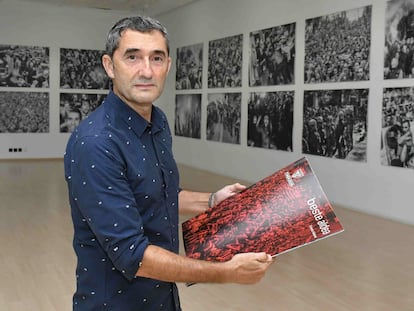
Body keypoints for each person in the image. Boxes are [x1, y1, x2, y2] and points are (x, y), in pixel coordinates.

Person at [64, 15, 273, 311]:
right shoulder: (96, 143)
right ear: (109, 66)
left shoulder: (157, 121)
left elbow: (159, 195)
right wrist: (226, 272)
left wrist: (213, 200)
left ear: (169, 66)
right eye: (132, 57)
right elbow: (132, 254)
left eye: (156, 58)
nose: (146, 70)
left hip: (163, 300)